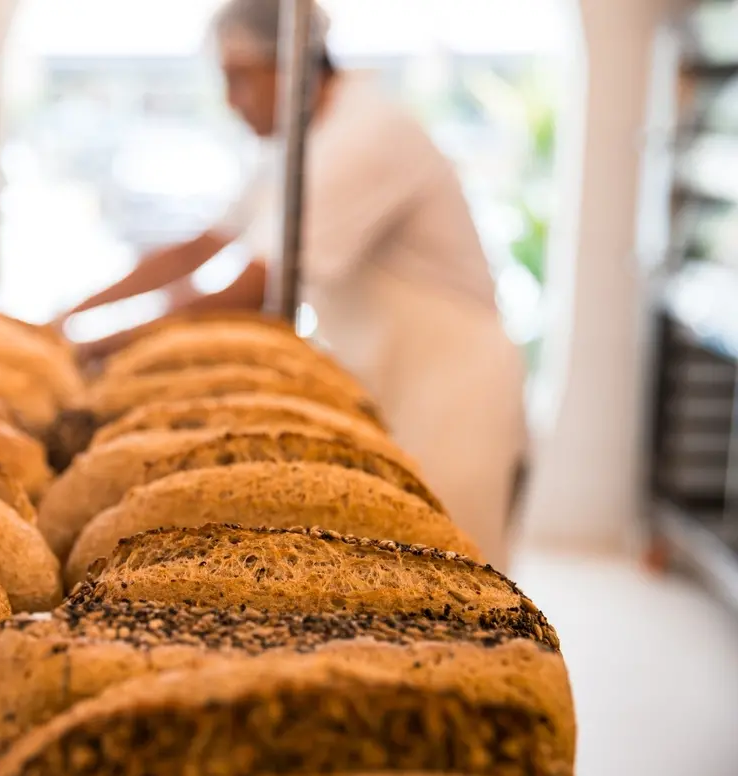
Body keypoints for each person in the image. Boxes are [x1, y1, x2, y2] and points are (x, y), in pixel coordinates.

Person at [51, 0, 528, 571]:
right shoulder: (295, 143)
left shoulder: (365, 134)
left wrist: (103, 345)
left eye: (239, 79)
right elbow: (199, 247)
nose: (231, 101)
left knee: (452, 574)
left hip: (451, 388)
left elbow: (254, 287)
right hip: (383, 376)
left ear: (291, 64)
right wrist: (67, 317)